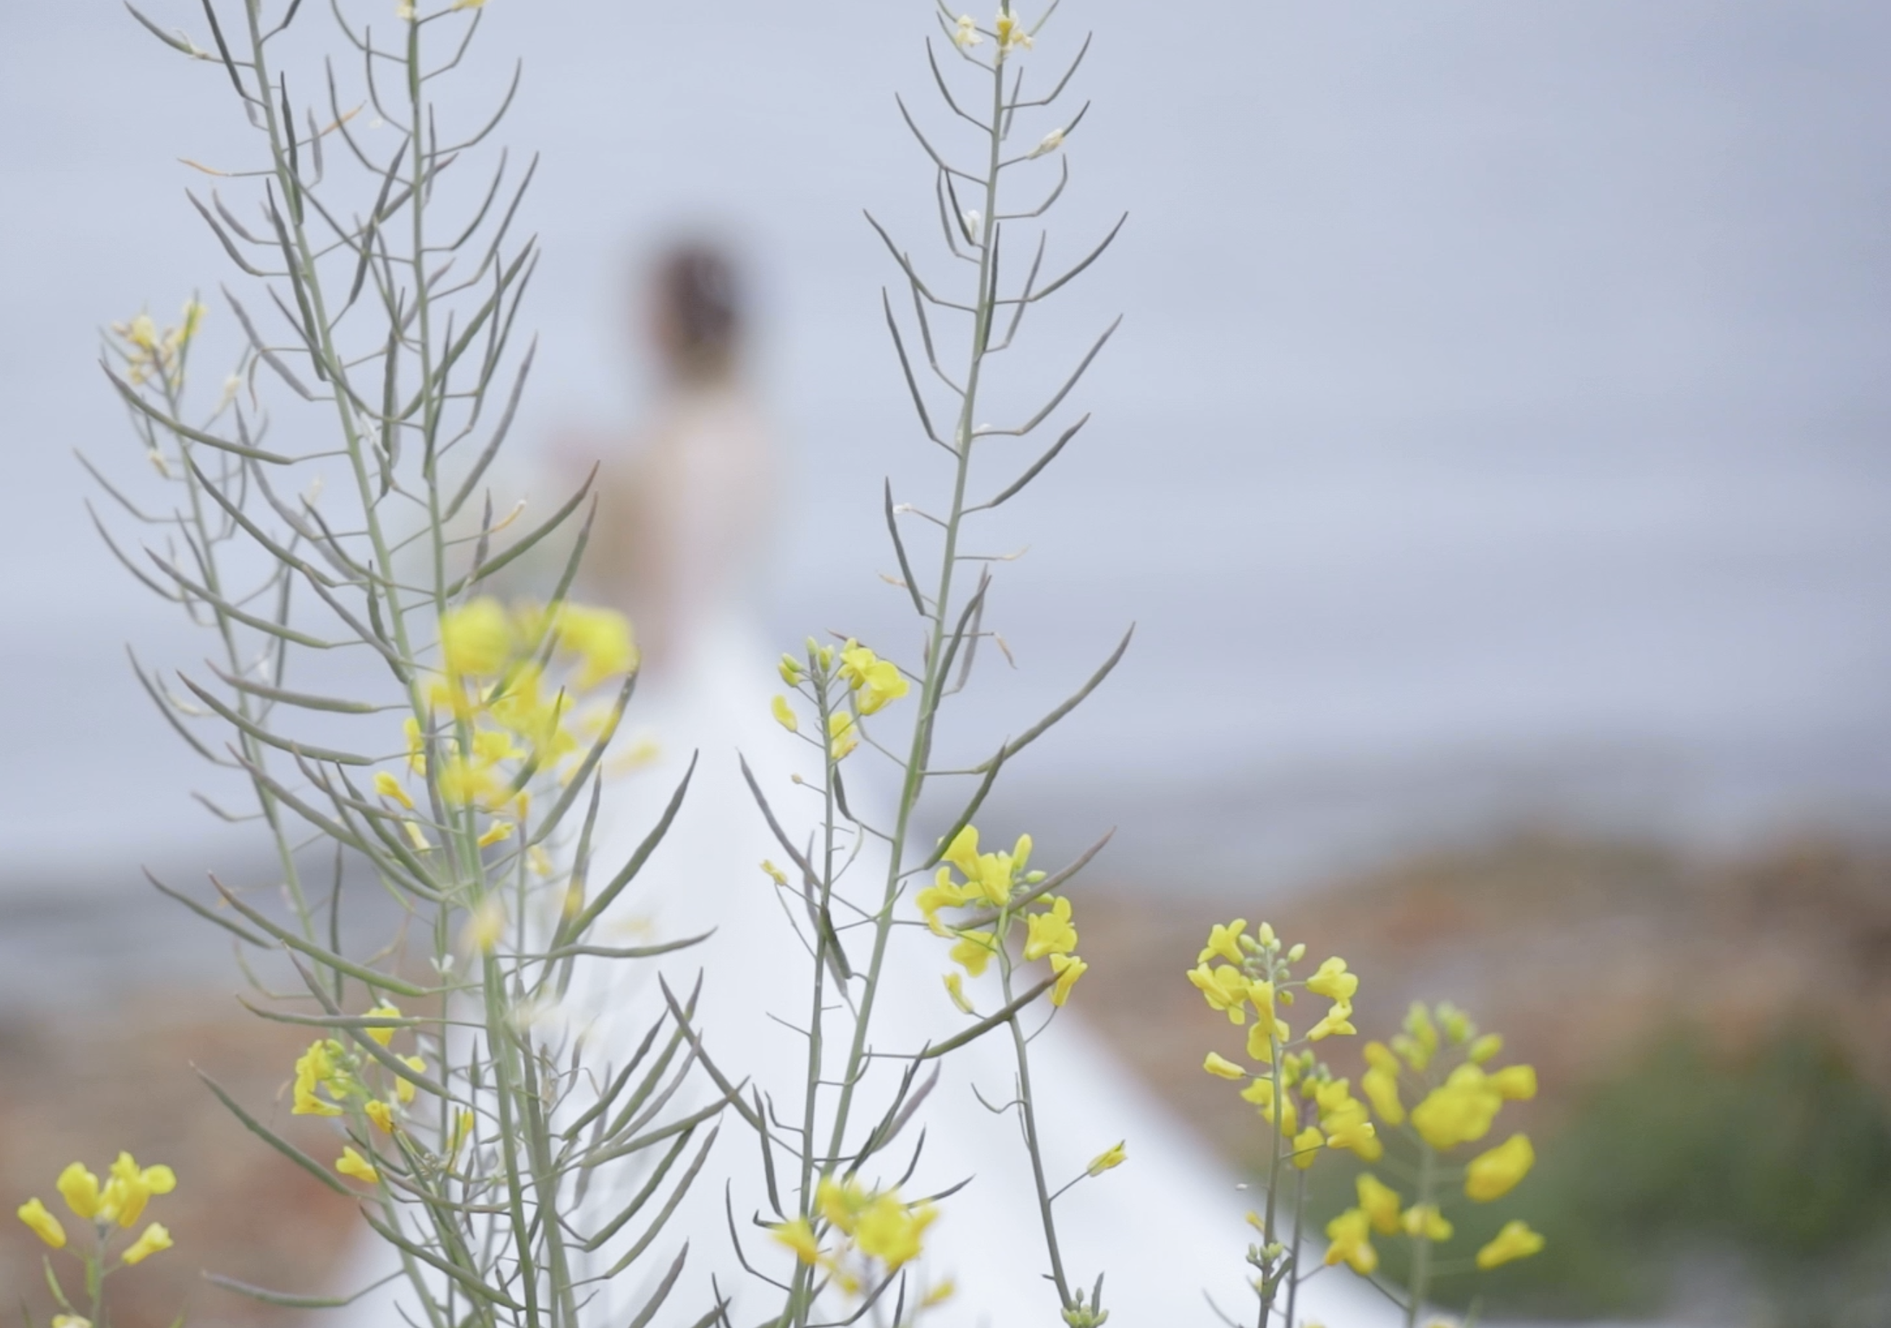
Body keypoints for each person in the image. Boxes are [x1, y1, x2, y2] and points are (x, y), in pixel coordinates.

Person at [321, 240, 1397, 1328]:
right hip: (744, 710)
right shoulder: (742, 428)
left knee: (639, 980)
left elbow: (666, 631)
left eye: (640, 305)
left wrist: (547, 582)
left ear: (668, 320)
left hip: (666, 720)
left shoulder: (682, 441)